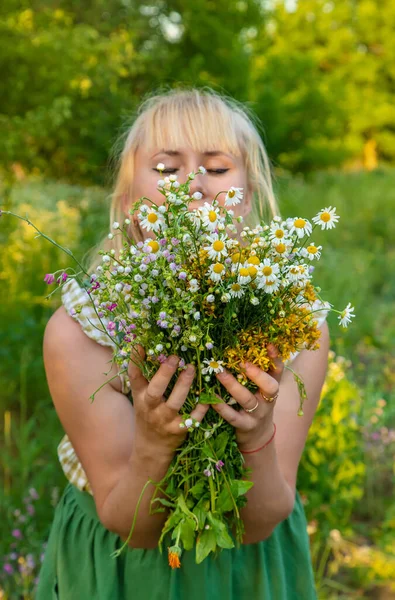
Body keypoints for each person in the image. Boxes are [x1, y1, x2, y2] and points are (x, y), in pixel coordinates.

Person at [36, 87, 330, 599]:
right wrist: (154, 444)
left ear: (250, 191)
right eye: (167, 170)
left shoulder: (295, 327)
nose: (194, 185)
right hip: (125, 569)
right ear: (128, 196)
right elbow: (132, 527)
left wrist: (256, 438)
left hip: (248, 567)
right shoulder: (84, 329)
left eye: (217, 169)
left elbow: (260, 522)